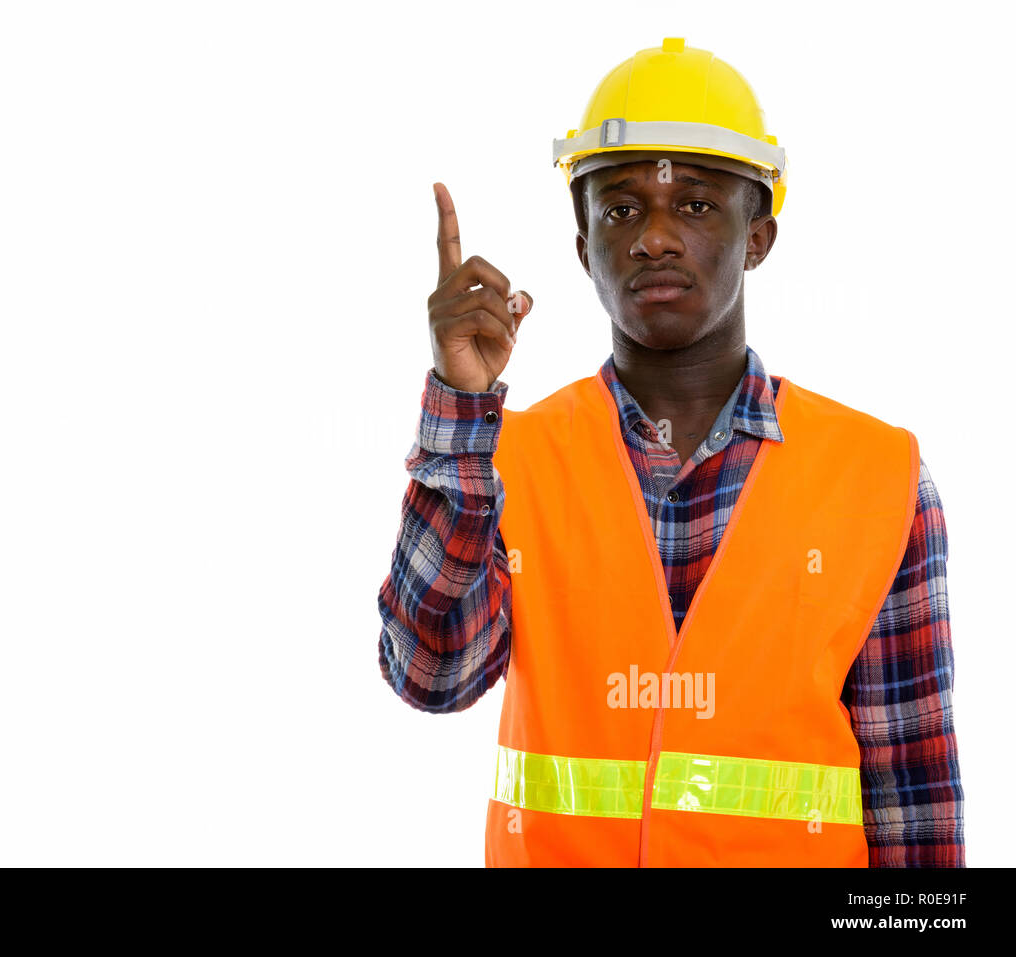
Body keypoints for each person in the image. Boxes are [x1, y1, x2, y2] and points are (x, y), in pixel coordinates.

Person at [376, 38, 964, 867]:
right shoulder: (507, 463)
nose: (654, 237)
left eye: (695, 205)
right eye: (619, 209)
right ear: (584, 249)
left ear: (758, 235)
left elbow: (915, 802)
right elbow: (430, 672)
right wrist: (460, 409)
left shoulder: (880, 479)